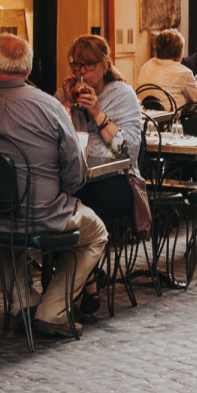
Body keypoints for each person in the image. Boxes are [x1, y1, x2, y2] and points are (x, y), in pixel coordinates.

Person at [0, 35, 108, 339]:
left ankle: (22, 302)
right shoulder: (49, 107)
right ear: (30, 66)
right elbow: (75, 176)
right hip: (42, 216)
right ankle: (53, 310)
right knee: (97, 232)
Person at [57, 34, 142, 316]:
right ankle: (85, 282)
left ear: (105, 64)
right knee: (57, 203)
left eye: (89, 65)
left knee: (85, 210)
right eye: (76, 65)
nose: (82, 72)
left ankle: (79, 283)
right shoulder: (72, 92)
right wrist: (66, 103)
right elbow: (54, 135)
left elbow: (127, 151)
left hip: (117, 180)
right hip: (79, 178)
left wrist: (95, 110)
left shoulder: (123, 95)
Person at [136, 29, 197, 108]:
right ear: (181, 52)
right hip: (170, 118)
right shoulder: (183, 72)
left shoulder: (146, 66)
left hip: (146, 117)